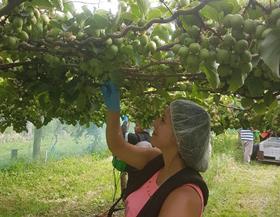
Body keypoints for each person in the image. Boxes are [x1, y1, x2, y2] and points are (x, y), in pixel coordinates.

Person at [102, 81, 211, 217]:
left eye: (163, 120)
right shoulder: (156, 161)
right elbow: (118, 147)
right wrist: (113, 109)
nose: (155, 122)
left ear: (180, 137)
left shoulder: (185, 197)